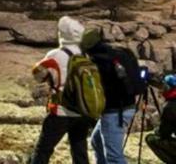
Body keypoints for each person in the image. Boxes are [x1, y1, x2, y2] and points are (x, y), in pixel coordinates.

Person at [29, 16, 93, 164]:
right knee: (79, 151)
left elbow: (39, 76)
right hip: (82, 110)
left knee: (43, 149)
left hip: (61, 111)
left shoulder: (55, 55)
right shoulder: (85, 55)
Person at [81, 27, 139, 164]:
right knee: (97, 141)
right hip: (128, 105)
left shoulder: (97, 62)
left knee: (114, 157)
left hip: (114, 112)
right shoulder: (120, 52)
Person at [147, 74, 176, 163]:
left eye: (163, 85)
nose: (161, 88)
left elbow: (164, 134)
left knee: (151, 139)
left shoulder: (170, 107)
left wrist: (157, 130)